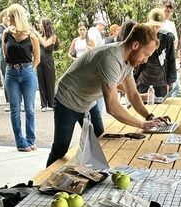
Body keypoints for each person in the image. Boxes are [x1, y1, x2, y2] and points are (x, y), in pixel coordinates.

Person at [46, 24, 167, 167]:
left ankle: (93, 175)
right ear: (135, 45)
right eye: (146, 54)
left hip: (88, 102)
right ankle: (41, 185)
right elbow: (112, 107)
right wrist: (141, 124)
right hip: (68, 99)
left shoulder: (128, 59)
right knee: (61, 148)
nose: (146, 60)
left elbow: (133, 94)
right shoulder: (111, 58)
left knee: (101, 141)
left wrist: (149, 117)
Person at [2, 3, 40, 152]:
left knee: (30, 109)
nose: (7, 17)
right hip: (11, 73)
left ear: (15, 16)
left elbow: (37, 58)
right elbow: (5, 53)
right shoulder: (6, 34)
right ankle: (20, 141)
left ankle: (30, 139)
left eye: (9, 15)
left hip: (27, 73)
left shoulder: (31, 36)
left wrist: (30, 70)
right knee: (15, 109)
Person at [134, 8, 176, 97]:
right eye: (153, 25)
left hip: (161, 82)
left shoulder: (167, 38)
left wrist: (170, 82)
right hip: (143, 80)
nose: (155, 28)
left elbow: (171, 60)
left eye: (158, 26)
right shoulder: (140, 35)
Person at [36, 17, 59, 112]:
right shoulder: (40, 35)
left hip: (48, 60)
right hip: (39, 61)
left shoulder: (53, 36)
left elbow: (45, 44)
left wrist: (36, 33)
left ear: (45, 25)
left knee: (50, 82)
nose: (39, 26)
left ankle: (52, 103)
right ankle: (43, 104)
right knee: (41, 82)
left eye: (41, 24)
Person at [0, 9, 10, 112]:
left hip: (16, 57)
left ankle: (19, 102)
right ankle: (9, 102)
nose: (8, 18)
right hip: (4, 58)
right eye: (6, 16)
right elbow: (3, 39)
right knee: (7, 80)